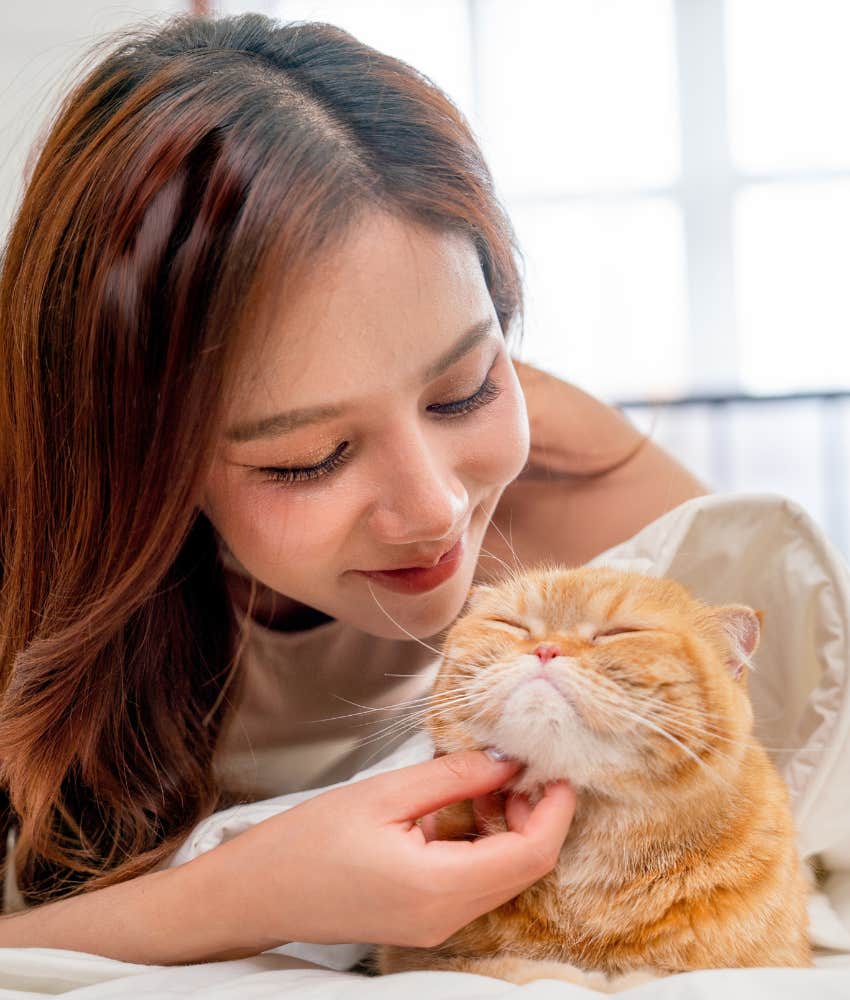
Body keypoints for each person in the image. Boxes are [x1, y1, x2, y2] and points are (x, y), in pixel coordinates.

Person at [0, 11, 705, 966]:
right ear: (132, 455)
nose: (435, 511)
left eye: (465, 390)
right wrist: (241, 898)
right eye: (308, 457)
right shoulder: (29, 565)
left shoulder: (592, 513)